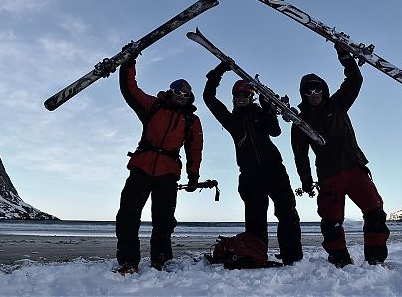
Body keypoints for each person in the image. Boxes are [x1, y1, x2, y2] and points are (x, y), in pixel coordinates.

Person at [291, 44, 390, 268]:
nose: (313, 94)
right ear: (303, 95)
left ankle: (375, 258)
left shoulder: (338, 104)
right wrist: (306, 180)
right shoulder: (300, 123)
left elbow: (355, 80)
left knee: (375, 212)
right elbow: (300, 155)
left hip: (354, 167)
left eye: (317, 90)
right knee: (331, 222)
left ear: (324, 90)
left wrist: (344, 56)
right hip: (328, 176)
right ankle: (339, 259)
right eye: (308, 91)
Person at [203, 61, 303, 266]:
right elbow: (209, 98)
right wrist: (219, 71)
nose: (241, 99)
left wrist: (268, 107)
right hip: (249, 174)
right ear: (233, 99)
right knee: (255, 217)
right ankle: (257, 254)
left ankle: (292, 256)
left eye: (245, 95)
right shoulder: (230, 120)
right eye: (237, 96)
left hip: (274, 169)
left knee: (287, 211)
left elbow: (275, 131)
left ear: (251, 97)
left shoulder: (260, 113)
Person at [115, 47, 203, 274]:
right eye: (177, 92)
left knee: (163, 219)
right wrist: (129, 62)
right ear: (170, 91)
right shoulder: (153, 106)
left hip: (168, 172)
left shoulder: (191, 120)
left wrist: (193, 176)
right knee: (127, 215)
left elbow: (195, 149)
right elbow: (130, 90)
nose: (181, 97)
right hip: (142, 166)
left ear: (189, 98)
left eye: (185, 95)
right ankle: (128, 262)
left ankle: (161, 260)